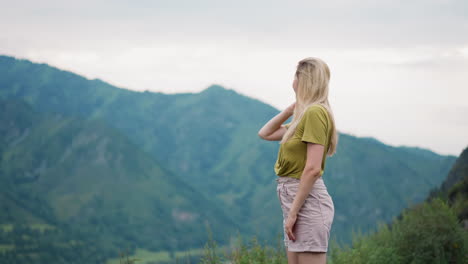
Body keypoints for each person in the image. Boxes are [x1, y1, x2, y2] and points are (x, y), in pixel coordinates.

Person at [258, 57, 339, 264]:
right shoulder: (305, 116)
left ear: (302, 79)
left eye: (295, 75)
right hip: (295, 200)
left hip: (306, 202)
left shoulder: (314, 113)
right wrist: (289, 110)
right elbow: (265, 133)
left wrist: (293, 212)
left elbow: (312, 169)